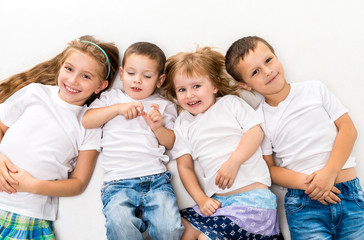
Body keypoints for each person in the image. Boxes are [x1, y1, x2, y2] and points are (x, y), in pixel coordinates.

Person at [225, 36, 364, 239]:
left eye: (268, 60)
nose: (267, 71)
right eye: (255, 72)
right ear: (245, 85)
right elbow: (268, 169)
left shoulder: (314, 89)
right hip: (305, 204)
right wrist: (311, 184)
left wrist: (329, 173)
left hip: (348, 195)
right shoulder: (259, 120)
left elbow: (348, 130)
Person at [0, 35, 120, 239]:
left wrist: (33, 185)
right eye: (69, 69)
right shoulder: (35, 93)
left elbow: (78, 183)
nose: (73, 80)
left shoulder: (89, 123)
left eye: (86, 76)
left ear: (100, 86)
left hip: (27, 215)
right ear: (61, 66)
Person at [162, 47, 283, 240]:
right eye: (182, 90)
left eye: (196, 86)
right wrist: (201, 199)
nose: (190, 95)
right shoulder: (183, 122)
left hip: (253, 202)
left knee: (204, 238)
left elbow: (255, 132)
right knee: (180, 227)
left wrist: (233, 162)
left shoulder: (230, 104)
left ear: (215, 86)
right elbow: (184, 166)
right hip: (219, 203)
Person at [81, 42, 184, 240]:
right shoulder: (111, 97)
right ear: (121, 73)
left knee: (169, 229)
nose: (137, 81)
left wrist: (158, 127)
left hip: (156, 179)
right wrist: (117, 109)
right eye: (130, 73)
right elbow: (87, 120)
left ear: (160, 80)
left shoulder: (163, 105)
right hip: (118, 182)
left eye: (147, 76)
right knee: (120, 226)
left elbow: (171, 142)